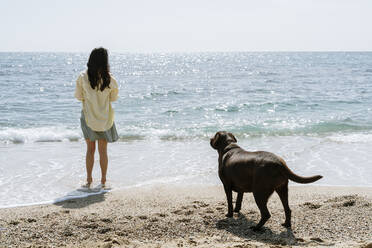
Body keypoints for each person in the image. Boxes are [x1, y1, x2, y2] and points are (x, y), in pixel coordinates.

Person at [74, 47, 119, 189]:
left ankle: (88, 180)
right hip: (104, 118)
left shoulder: (82, 77)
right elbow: (113, 98)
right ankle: (103, 181)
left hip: (88, 117)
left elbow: (78, 97)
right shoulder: (110, 79)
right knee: (103, 151)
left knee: (90, 150)